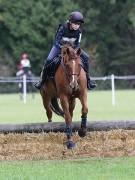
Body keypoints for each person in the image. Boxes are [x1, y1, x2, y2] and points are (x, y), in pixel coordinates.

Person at [35, 11, 96, 90]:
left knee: (86, 57)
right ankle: (42, 81)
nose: (77, 26)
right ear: (70, 22)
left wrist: (73, 50)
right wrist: (62, 48)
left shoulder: (79, 32)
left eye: (78, 24)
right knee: (49, 59)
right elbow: (56, 41)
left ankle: (88, 81)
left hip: (72, 49)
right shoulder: (63, 27)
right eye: (75, 23)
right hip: (58, 47)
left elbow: (77, 44)